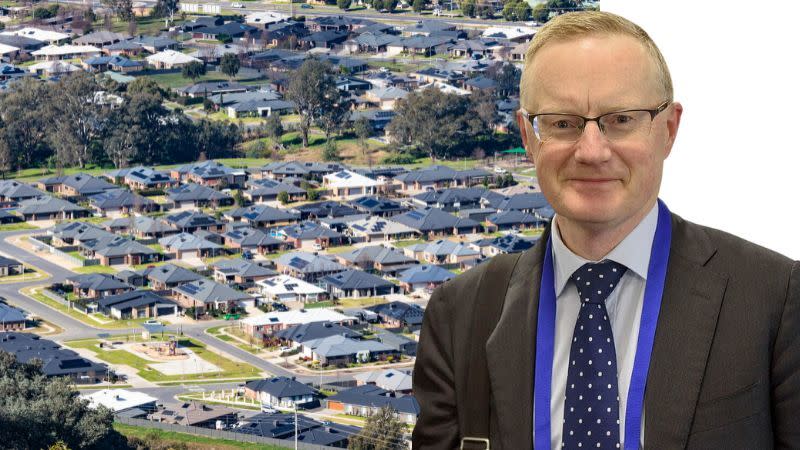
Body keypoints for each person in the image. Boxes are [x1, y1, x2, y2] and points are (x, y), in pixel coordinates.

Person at [412, 11, 799, 450]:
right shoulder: (460, 314)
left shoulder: (775, 298)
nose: (592, 151)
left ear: (668, 130)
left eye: (621, 120)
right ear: (527, 136)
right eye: (562, 123)